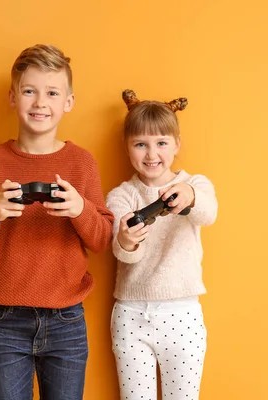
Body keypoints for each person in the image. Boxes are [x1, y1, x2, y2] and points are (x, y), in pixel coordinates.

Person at [0, 44, 114, 400]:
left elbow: (103, 241)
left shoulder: (82, 163)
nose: (40, 102)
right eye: (30, 91)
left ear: (68, 102)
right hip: (4, 322)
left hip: (66, 319)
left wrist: (80, 209)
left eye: (52, 93)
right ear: (13, 97)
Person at [106, 89, 218, 399]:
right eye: (140, 144)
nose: (151, 154)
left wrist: (189, 196)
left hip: (183, 315)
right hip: (132, 317)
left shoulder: (195, 184)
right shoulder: (120, 196)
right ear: (128, 148)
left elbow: (208, 213)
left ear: (177, 144)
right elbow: (123, 253)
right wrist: (127, 241)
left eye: (161, 144)